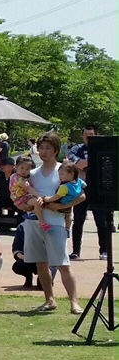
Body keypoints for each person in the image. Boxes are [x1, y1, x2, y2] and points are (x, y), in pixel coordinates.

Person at [23, 133, 82, 313]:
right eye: (41, 148)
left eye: (48, 148)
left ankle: (74, 302)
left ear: (56, 150)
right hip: (34, 222)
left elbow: (81, 195)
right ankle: (49, 299)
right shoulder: (32, 173)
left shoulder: (64, 170)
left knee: (63, 263)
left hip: (55, 223)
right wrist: (27, 205)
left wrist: (58, 207)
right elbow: (23, 197)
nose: (44, 151)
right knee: (41, 263)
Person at [70, 125, 112, 260]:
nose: (88, 137)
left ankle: (104, 251)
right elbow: (72, 161)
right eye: (85, 134)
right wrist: (91, 162)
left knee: (101, 222)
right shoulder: (77, 148)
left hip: (97, 190)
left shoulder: (101, 148)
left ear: (96, 135)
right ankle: (75, 251)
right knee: (78, 221)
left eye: (91, 134)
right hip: (80, 189)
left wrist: (83, 163)